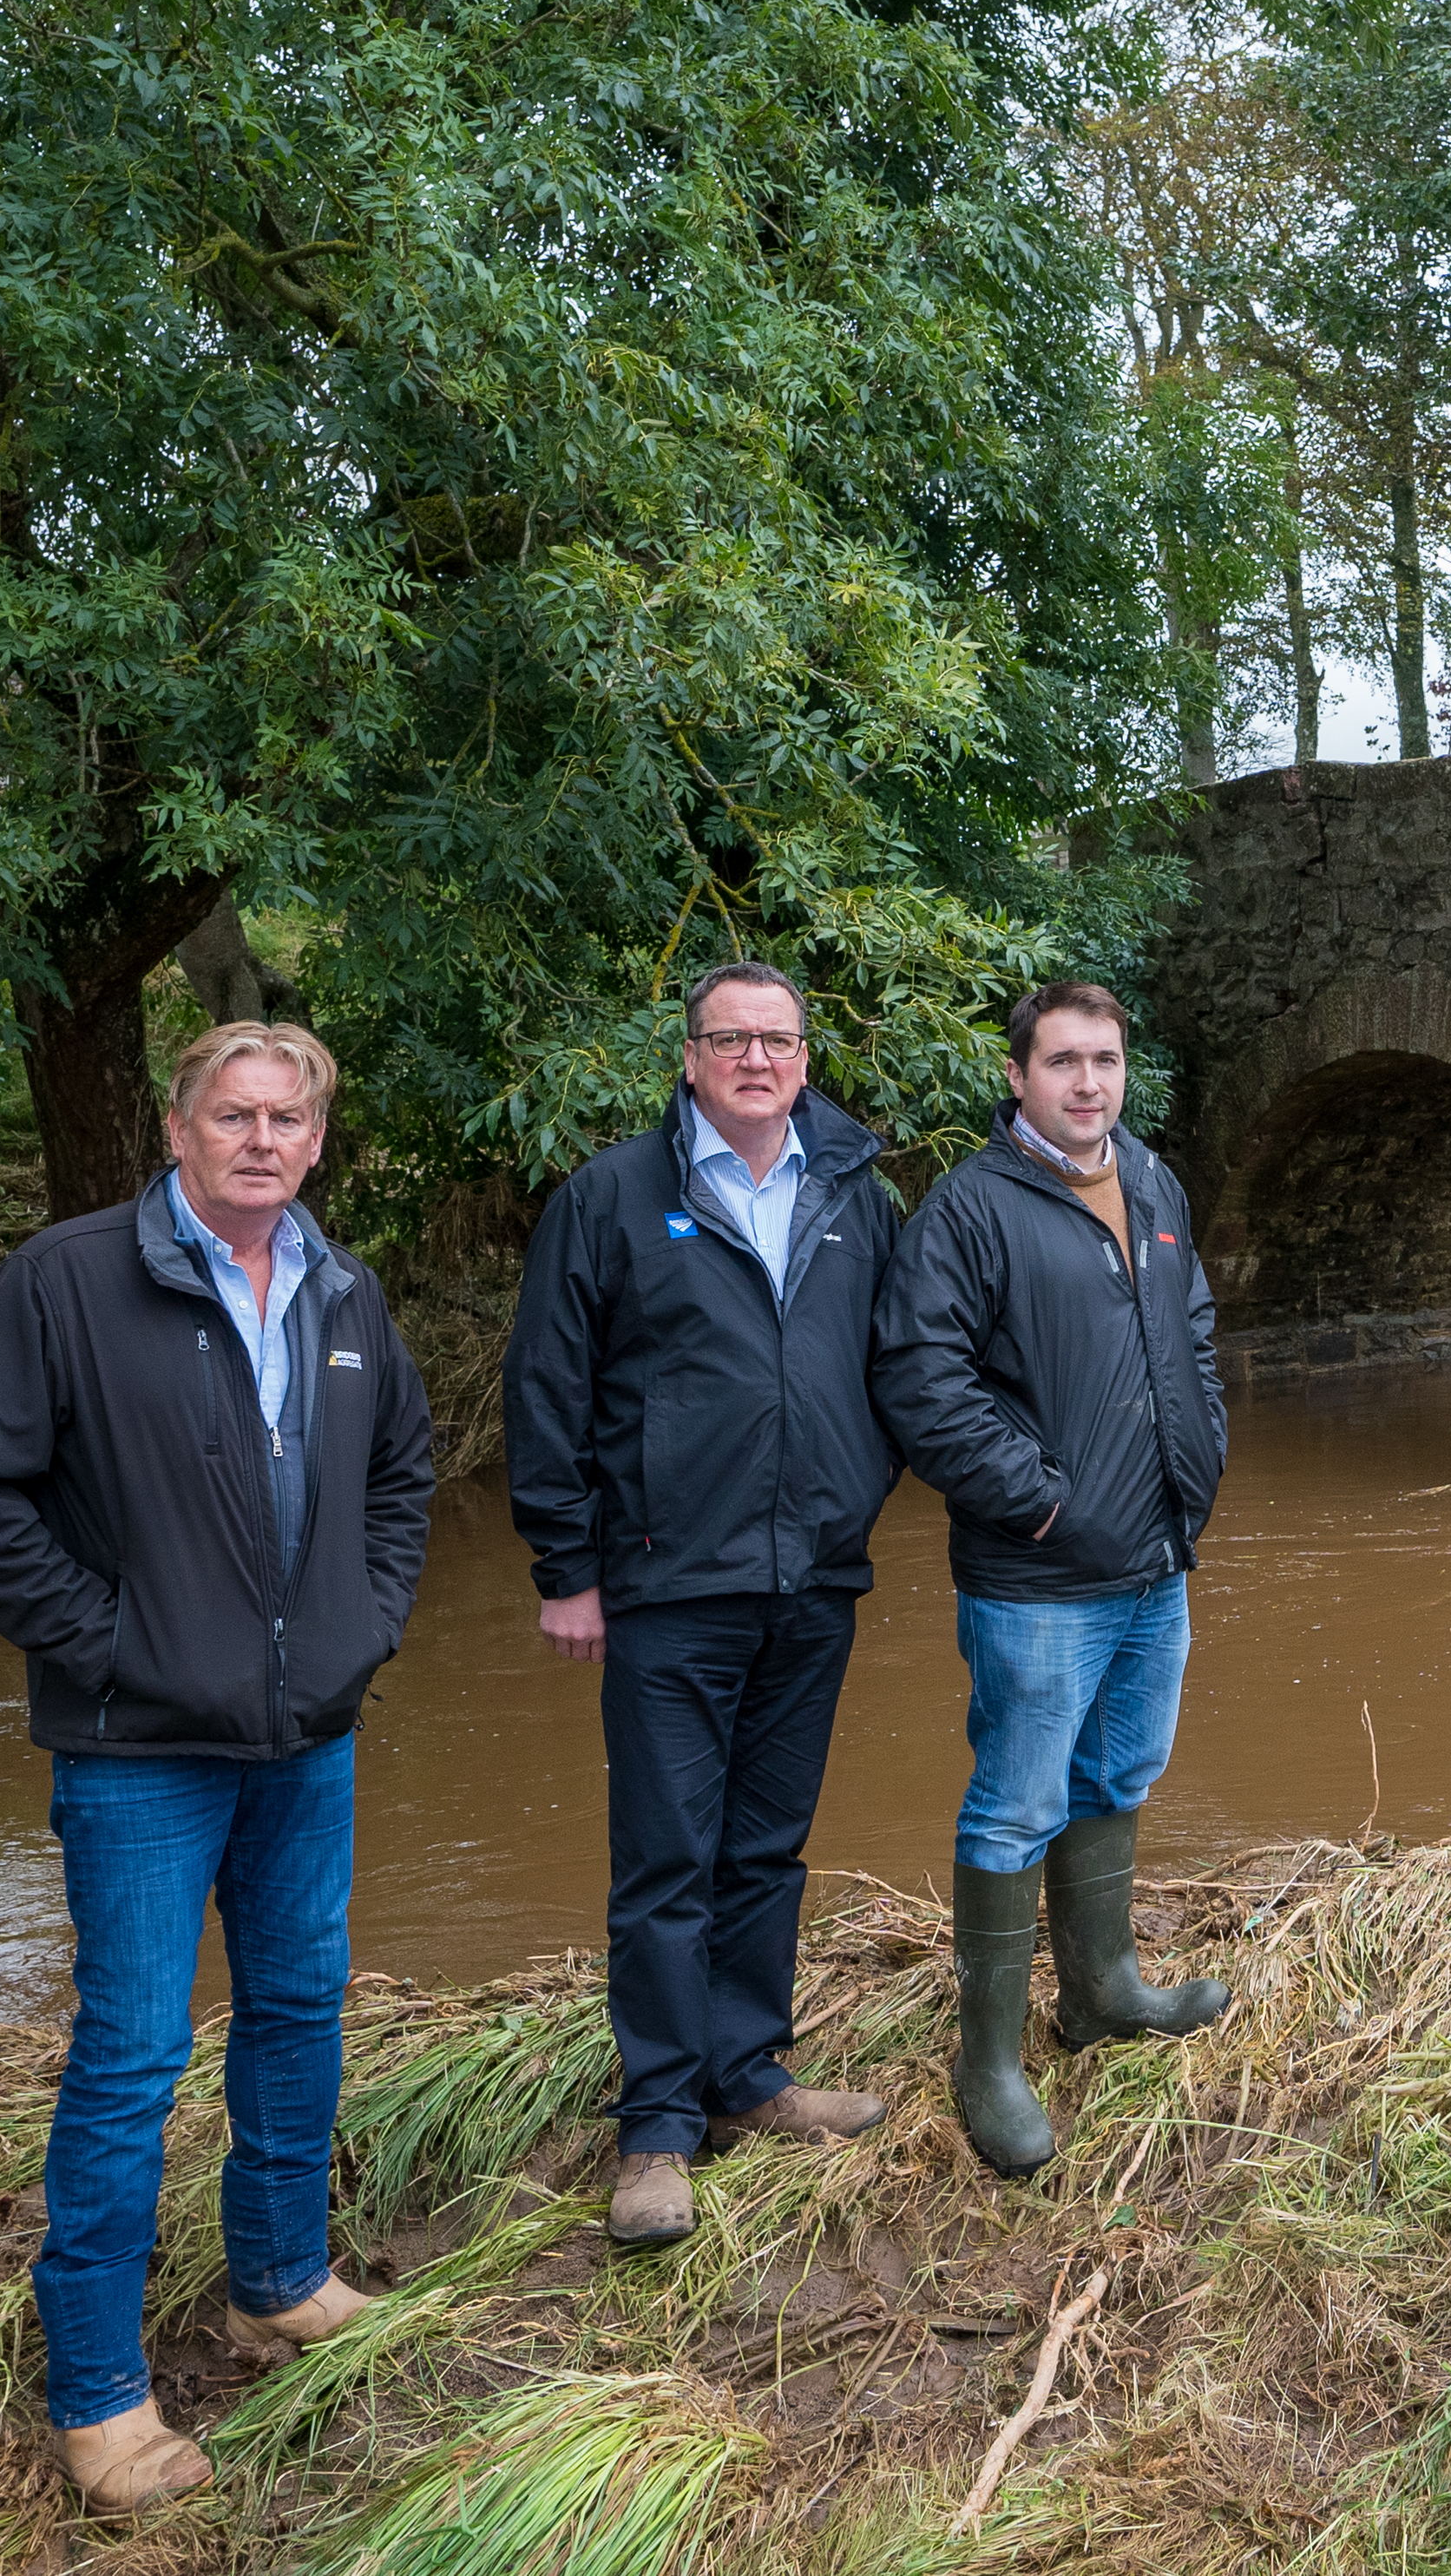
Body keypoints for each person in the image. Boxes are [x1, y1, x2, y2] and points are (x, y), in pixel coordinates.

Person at [0, 1022, 434, 2514]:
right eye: (233, 1116)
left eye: (287, 1118)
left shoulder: (345, 1289)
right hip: (139, 1749)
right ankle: (97, 2396)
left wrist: (361, 1621)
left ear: (318, 1140)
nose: (261, 1140)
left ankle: (277, 2277)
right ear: (176, 1126)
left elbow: (401, 1472)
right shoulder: (66, 1281)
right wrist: (118, 1644)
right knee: (133, 2054)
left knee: (296, 2008)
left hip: (306, 1738)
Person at [504, 958, 903, 2248]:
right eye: (727, 1038)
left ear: (806, 1058)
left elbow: (895, 1371)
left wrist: (854, 1501)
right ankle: (659, 2128)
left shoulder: (856, 1193)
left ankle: (751, 2078)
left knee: (766, 1847)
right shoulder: (613, 1198)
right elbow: (547, 1392)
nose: (753, 1058)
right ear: (688, 1058)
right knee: (667, 1860)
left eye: (775, 1039)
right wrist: (567, 1567)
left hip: (813, 1578)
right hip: (668, 1583)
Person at [870, 980, 1232, 2175]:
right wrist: (1035, 1496)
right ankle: (990, 2061)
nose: (1090, 1083)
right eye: (1065, 1062)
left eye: (1108, 1060)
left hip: (1155, 1555)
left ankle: (1103, 1993)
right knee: (1018, 1802)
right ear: (1019, 1077)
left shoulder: (1155, 1181)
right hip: (1037, 1576)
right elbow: (923, 1381)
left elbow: (1191, 1334)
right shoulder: (970, 1210)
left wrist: (1202, 1455)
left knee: (1121, 1769)